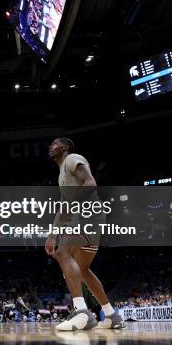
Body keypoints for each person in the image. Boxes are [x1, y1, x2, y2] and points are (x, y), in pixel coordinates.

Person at [45, 137, 125, 331]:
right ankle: (112, 316)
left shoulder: (72, 158)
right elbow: (63, 207)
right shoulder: (62, 176)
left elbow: (90, 182)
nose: (51, 146)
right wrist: (53, 234)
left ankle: (82, 313)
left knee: (63, 253)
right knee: (82, 269)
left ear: (64, 147)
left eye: (55, 143)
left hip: (87, 215)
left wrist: (73, 204)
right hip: (90, 217)